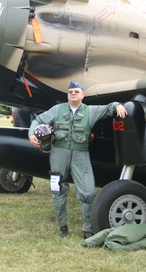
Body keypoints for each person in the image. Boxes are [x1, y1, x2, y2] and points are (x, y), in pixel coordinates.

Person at [28, 80, 127, 239]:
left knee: (87, 192)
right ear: (67, 95)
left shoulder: (91, 111)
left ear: (82, 95)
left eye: (76, 91)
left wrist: (118, 105)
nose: (73, 94)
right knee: (57, 190)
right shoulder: (57, 109)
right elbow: (38, 121)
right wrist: (32, 134)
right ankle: (63, 227)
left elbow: (108, 108)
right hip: (58, 155)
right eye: (70, 92)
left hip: (81, 155)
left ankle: (87, 229)